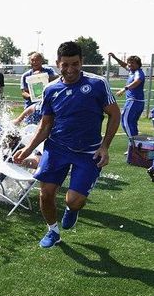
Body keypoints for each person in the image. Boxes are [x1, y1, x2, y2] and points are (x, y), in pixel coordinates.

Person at [14, 41, 121, 248]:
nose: (70, 69)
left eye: (75, 64)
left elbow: (114, 114)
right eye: (65, 65)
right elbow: (45, 125)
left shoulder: (97, 84)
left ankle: (72, 210)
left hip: (89, 152)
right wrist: (27, 150)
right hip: (57, 148)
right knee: (46, 194)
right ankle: (53, 231)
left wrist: (105, 146)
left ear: (82, 62)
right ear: (57, 64)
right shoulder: (50, 89)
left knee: (73, 201)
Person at [108, 53, 146, 139]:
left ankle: (133, 143)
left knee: (126, 122)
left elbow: (137, 81)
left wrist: (124, 89)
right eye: (129, 62)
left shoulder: (138, 72)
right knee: (131, 123)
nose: (130, 64)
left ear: (138, 64)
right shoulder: (132, 71)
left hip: (134, 101)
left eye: (132, 63)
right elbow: (124, 65)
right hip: (137, 102)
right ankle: (135, 144)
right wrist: (115, 57)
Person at [20, 52, 58, 124]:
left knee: (47, 127)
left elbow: (57, 78)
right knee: (30, 128)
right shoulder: (26, 75)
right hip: (31, 107)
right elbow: (24, 92)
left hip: (47, 106)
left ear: (41, 61)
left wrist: (42, 77)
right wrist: (31, 97)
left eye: (37, 60)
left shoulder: (49, 70)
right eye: (32, 60)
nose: (34, 62)